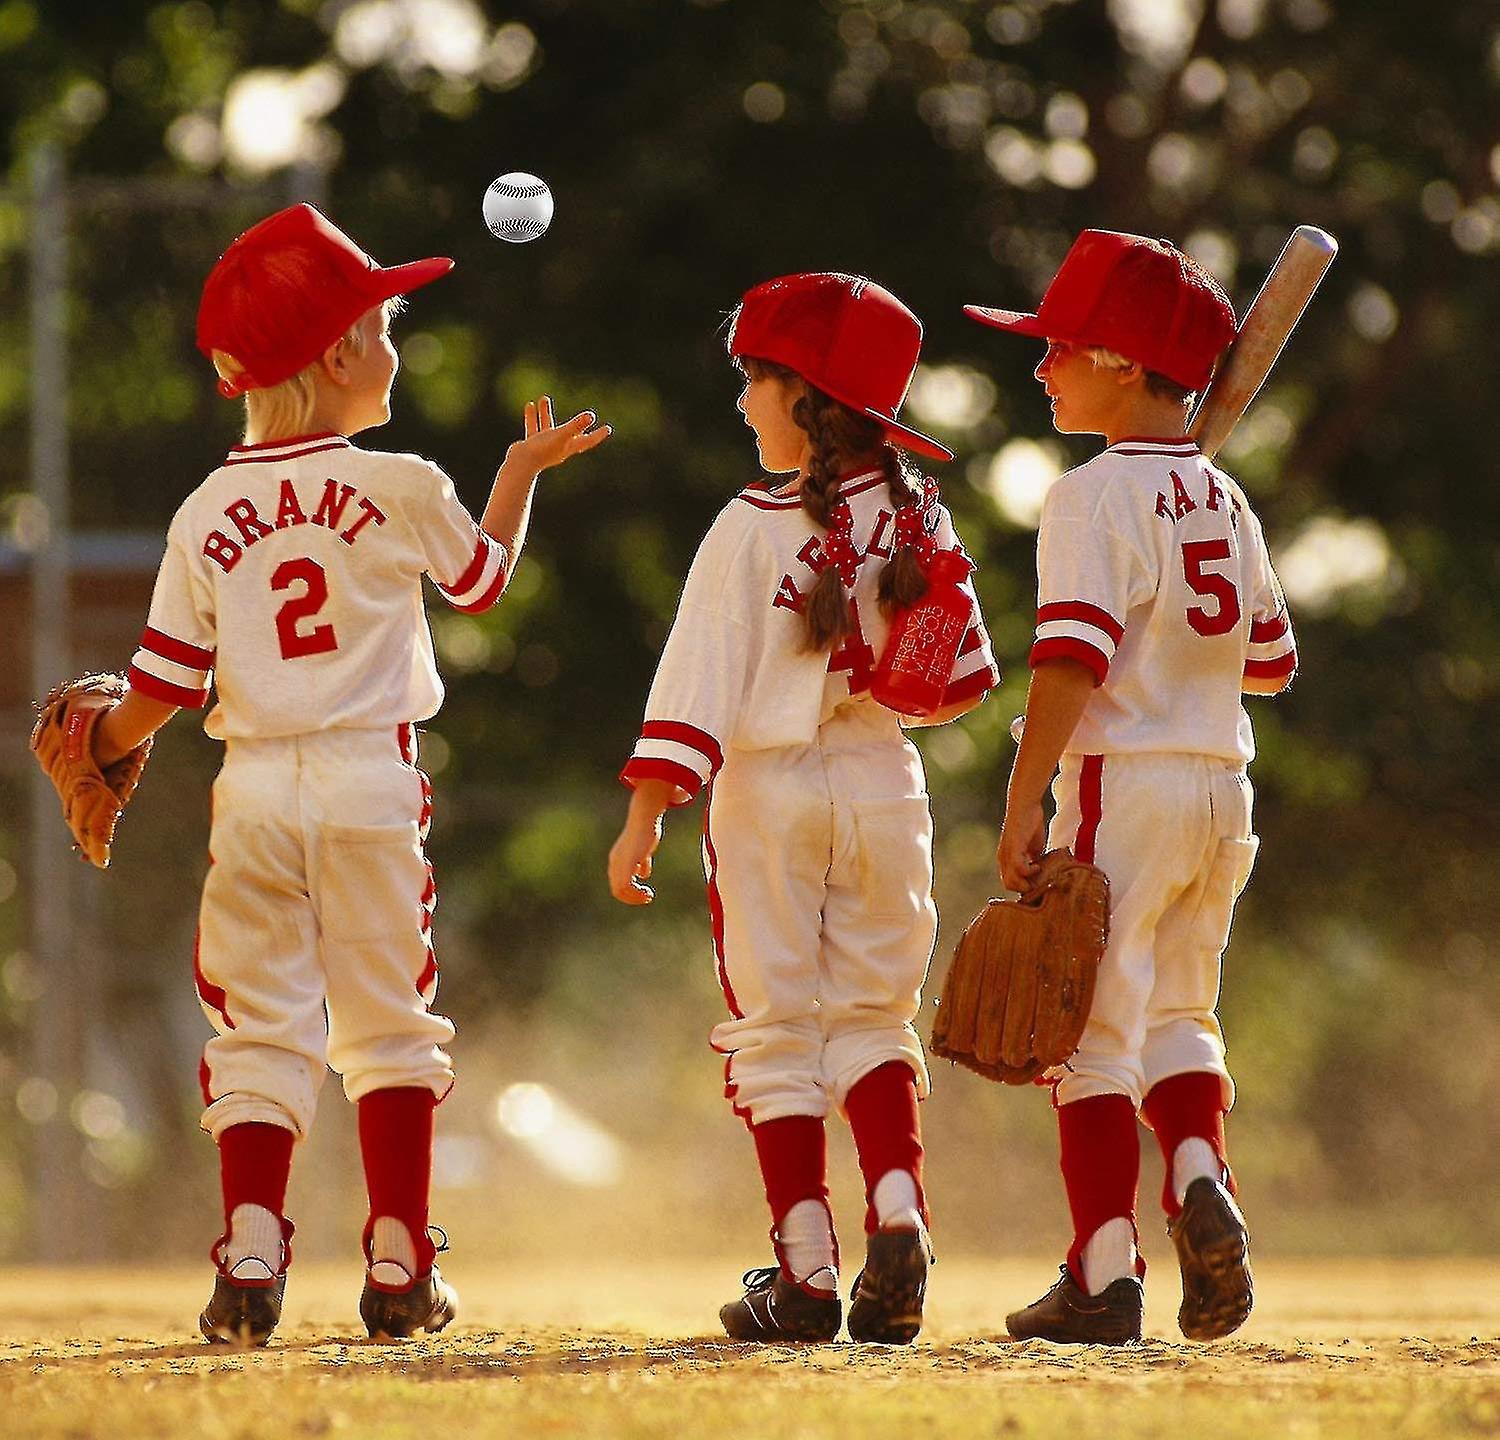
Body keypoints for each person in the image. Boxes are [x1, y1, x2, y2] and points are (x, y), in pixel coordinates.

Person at [89, 202, 610, 1345]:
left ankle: (251, 1257)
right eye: (382, 324)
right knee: (387, 1023)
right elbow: (480, 585)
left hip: (258, 789)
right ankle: (399, 1262)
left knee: (261, 1024)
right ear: (336, 356)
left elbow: (162, 691)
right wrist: (519, 473)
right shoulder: (403, 481)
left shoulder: (202, 511)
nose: (394, 341)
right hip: (372, 781)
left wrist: (99, 747)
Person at [607, 272, 999, 1343]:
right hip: (883, 783)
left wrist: (646, 812)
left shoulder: (748, 525)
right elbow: (959, 684)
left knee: (778, 1031)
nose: (742, 405)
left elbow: (693, 684)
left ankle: (810, 1272)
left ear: (805, 400)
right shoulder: (922, 511)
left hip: (770, 791)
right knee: (874, 1018)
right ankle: (900, 1208)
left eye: (755, 382)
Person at [963, 230, 1298, 1344]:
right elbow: (1272, 662)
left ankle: (1105, 1274)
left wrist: (1024, 802)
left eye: (1059, 347)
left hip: (1124, 781)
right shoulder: (1229, 498)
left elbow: (1071, 658)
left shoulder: (1089, 496)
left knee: (1090, 1037)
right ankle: (1200, 1169)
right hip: (1222, 783)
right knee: (1182, 1013)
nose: (1041, 367)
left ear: (1117, 358)